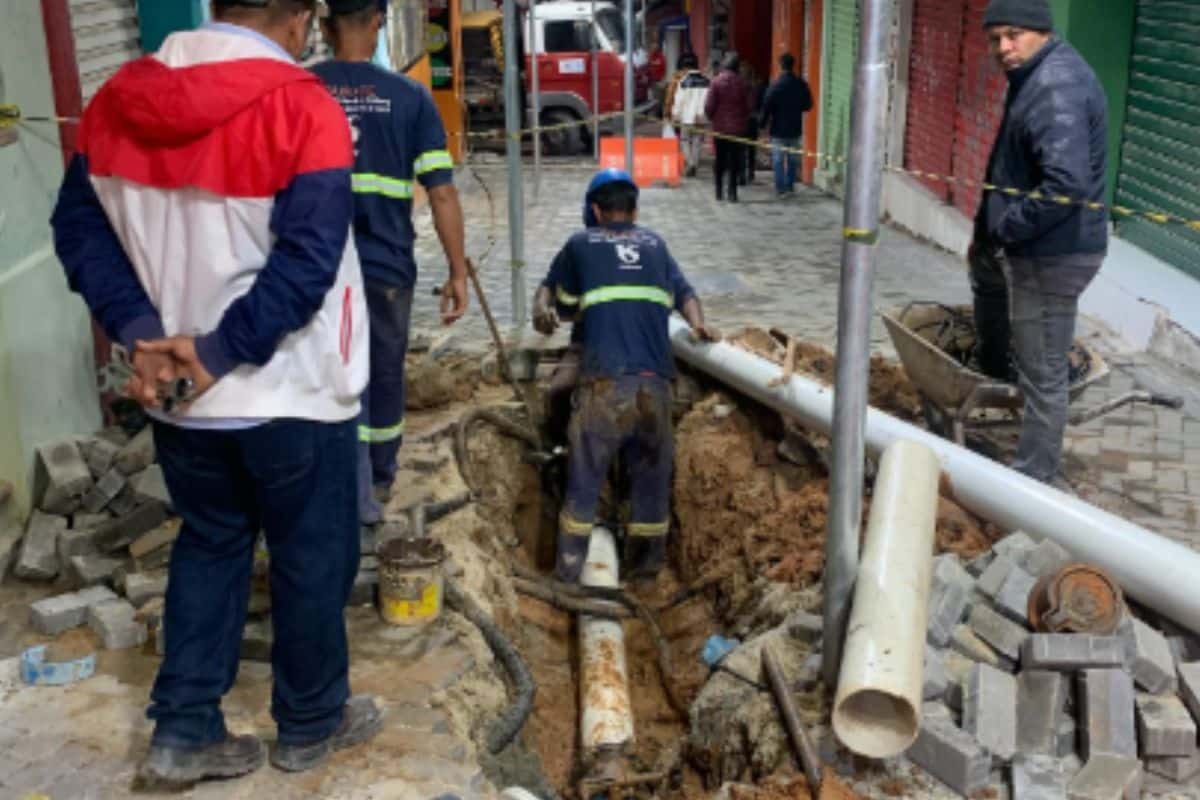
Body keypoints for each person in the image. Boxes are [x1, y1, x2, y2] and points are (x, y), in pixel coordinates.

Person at [51, 0, 383, 786]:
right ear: (300, 20)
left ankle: (185, 731)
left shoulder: (115, 101)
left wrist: (141, 330)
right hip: (293, 389)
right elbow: (306, 264)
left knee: (209, 544)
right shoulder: (304, 106)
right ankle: (309, 723)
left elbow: (77, 230)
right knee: (311, 556)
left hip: (183, 397)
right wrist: (220, 350)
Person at [313, 0, 470, 526]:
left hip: (312, 270)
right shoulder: (409, 97)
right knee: (381, 374)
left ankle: (338, 480)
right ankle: (377, 478)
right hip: (383, 268)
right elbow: (442, 193)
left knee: (324, 372)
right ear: (379, 21)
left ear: (322, 22)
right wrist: (456, 272)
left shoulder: (299, 91)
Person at [539, 169, 719, 583]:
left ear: (595, 211)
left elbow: (561, 305)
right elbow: (687, 295)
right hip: (656, 384)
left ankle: (568, 574)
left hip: (604, 383)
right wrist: (698, 326)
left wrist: (549, 308)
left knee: (583, 482)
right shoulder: (656, 245)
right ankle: (646, 573)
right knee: (651, 483)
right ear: (635, 210)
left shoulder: (581, 243)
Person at [970, 0, 1108, 484]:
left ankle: (1032, 483)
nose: (1003, 48)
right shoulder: (1040, 73)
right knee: (1028, 352)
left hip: (1053, 253)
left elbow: (1064, 186)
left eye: (1014, 35)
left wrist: (1007, 228)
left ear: (1042, 31)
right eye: (994, 38)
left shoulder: (1054, 87)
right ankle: (1004, 399)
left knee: (1044, 375)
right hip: (1047, 246)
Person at [759, 52, 813, 197]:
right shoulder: (801, 85)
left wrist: (762, 125)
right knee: (792, 159)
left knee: (777, 160)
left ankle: (780, 188)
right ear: (793, 66)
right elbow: (808, 105)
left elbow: (766, 107)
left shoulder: (775, 86)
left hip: (778, 129)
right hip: (795, 128)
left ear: (780, 66)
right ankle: (789, 186)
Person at [704, 52, 753, 202]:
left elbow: (709, 106)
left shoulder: (715, 82)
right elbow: (749, 106)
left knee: (720, 159)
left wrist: (712, 118)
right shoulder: (743, 83)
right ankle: (732, 192)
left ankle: (719, 191)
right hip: (738, 129)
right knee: (735, 160)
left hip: (720, 129)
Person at [663, 52, 710, 177]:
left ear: (684, 67)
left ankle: (690, 163)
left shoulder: (683, 81)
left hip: (686, 118)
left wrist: (675, 115)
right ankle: (694, 162)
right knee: (698, 141)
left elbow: (679, 101)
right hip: (702, 118)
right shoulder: (707, 81)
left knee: (684, 140)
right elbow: (709, 100)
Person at [740, 63, 765, 185]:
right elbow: (761, 106)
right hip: (753, 121)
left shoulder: (739, 87)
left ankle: (742, 174)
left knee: (741, 149)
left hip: (741, 121)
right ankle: (750, 172)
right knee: (751, 149)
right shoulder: (758, 87)